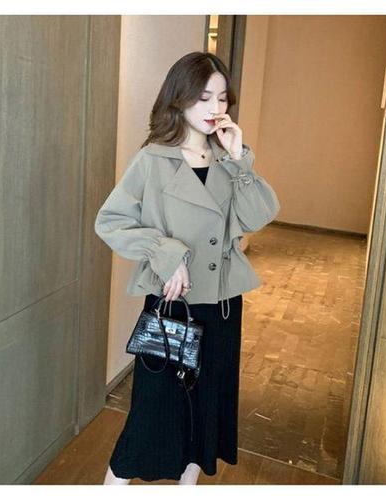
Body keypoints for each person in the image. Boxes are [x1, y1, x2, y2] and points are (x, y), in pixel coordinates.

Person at [94, 51, 280, 485]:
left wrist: (240, 159)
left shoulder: (227, 158)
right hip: (172, 303)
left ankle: (188, 485)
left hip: (222, 304)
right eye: (203, 98)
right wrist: (166, 253)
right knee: (152, 411)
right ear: (179, 99)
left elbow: (258, 216)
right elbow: (111, 221)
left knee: (205, 409)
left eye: (222, 98)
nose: (215, 108)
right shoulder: (153, 160)